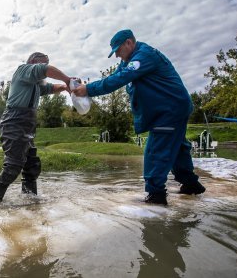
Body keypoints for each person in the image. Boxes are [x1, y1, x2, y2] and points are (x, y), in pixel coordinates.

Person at [71, 29, 205, 205]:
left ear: (129, 43)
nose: (118, 56)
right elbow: (114, 77)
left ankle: (156, 195)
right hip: (171, 109)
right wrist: (87, 85)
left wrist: (88, 90)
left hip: (169, 111)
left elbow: (122, 78)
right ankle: (190, 185)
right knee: (178, 148)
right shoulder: (130, 59)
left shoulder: (143, 56)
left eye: (118, 50)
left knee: (155, 150)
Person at [0, 52, 71, 202]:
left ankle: (29, 200)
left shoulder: (34, 84)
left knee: (32, 165)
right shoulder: (23, 70)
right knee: (13, 166)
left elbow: (50, 88)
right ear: (34, 61)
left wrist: (65, 86)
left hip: (27, 127)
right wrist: (67, 78)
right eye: (44, 63)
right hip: (13, 123)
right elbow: (45, 70)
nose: (45, 72)